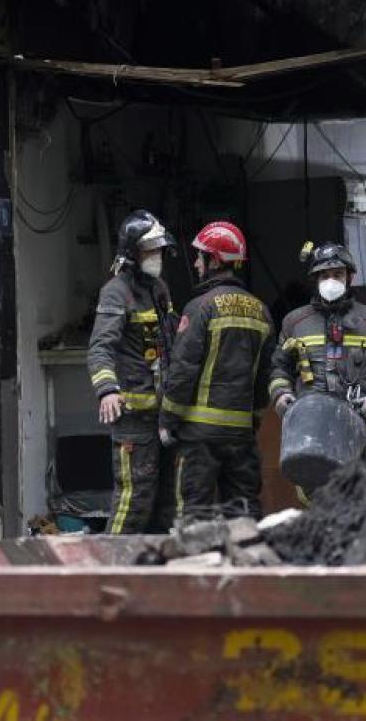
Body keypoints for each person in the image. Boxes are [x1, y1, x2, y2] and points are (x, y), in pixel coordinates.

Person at [159, 221, 274, 520]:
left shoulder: (200, 307)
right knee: (244, 513)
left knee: (195, 514)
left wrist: (168, 419)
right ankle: (246, 566)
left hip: (199, 437)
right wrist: (252, 417)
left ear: (215, 260)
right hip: (241, 435)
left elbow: (183, 369)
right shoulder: (261, 310)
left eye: (201, 256)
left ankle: (198, 566)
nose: (196, 264)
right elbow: (264, 378)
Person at [269, 241, 366, 489]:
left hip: (364, 430)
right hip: (315, 431)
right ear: (315, 279)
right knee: (324, 507)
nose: (330, 280)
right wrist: (281, 394)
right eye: (324, 275)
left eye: (337, 274)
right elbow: (280, 368)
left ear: (350, 277)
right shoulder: (295, 322)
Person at [87, 210, 178, 533]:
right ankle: (112, 568)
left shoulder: (160, 289)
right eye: (149, 250)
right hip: (134, 420)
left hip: (163, 416)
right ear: (132, 252)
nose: (156, 257)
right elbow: (100, 347)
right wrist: (107, 390)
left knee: (167, 501)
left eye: (158, 250)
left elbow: (171, 342)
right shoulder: (116, 291)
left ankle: (155, 573)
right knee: (134, 499)